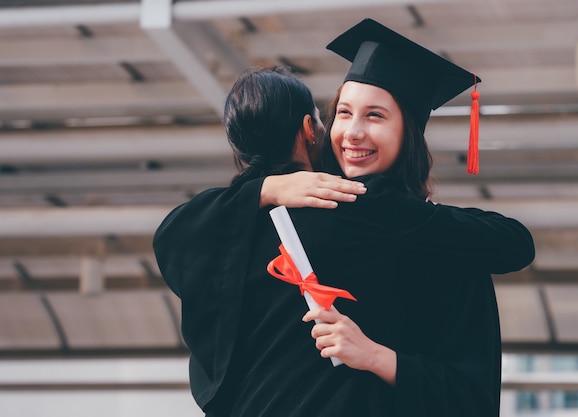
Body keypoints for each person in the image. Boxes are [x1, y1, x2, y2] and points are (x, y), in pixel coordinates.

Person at [153, 20, 535, 417]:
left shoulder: (229, 227)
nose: (352, 132)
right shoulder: (372, 216)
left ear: (408, 130)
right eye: (342, 113)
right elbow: (512, 243)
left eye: (374, 116)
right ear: (313, 129)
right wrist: (270, 188)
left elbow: (175, 235)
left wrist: (376, 356)